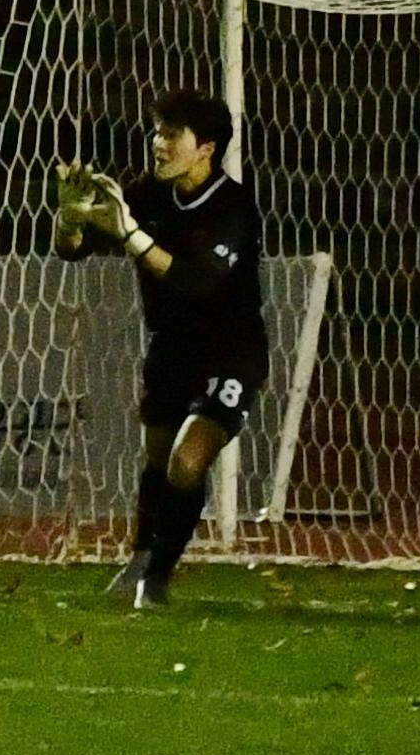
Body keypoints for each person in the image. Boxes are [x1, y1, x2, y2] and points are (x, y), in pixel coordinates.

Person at [53, 88, 267, 614]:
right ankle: (141, 558)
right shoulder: (148, 193)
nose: (159, 144)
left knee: (187, 461)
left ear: (206, 148)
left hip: (230, 354)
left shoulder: (233, 207)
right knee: (157, 462)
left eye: (173, 135)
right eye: (157, 132)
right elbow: (72, 251)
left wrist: (130, 235)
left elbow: (197, 281)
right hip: (172, 352)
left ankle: (159, 580)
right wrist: (71, 218)